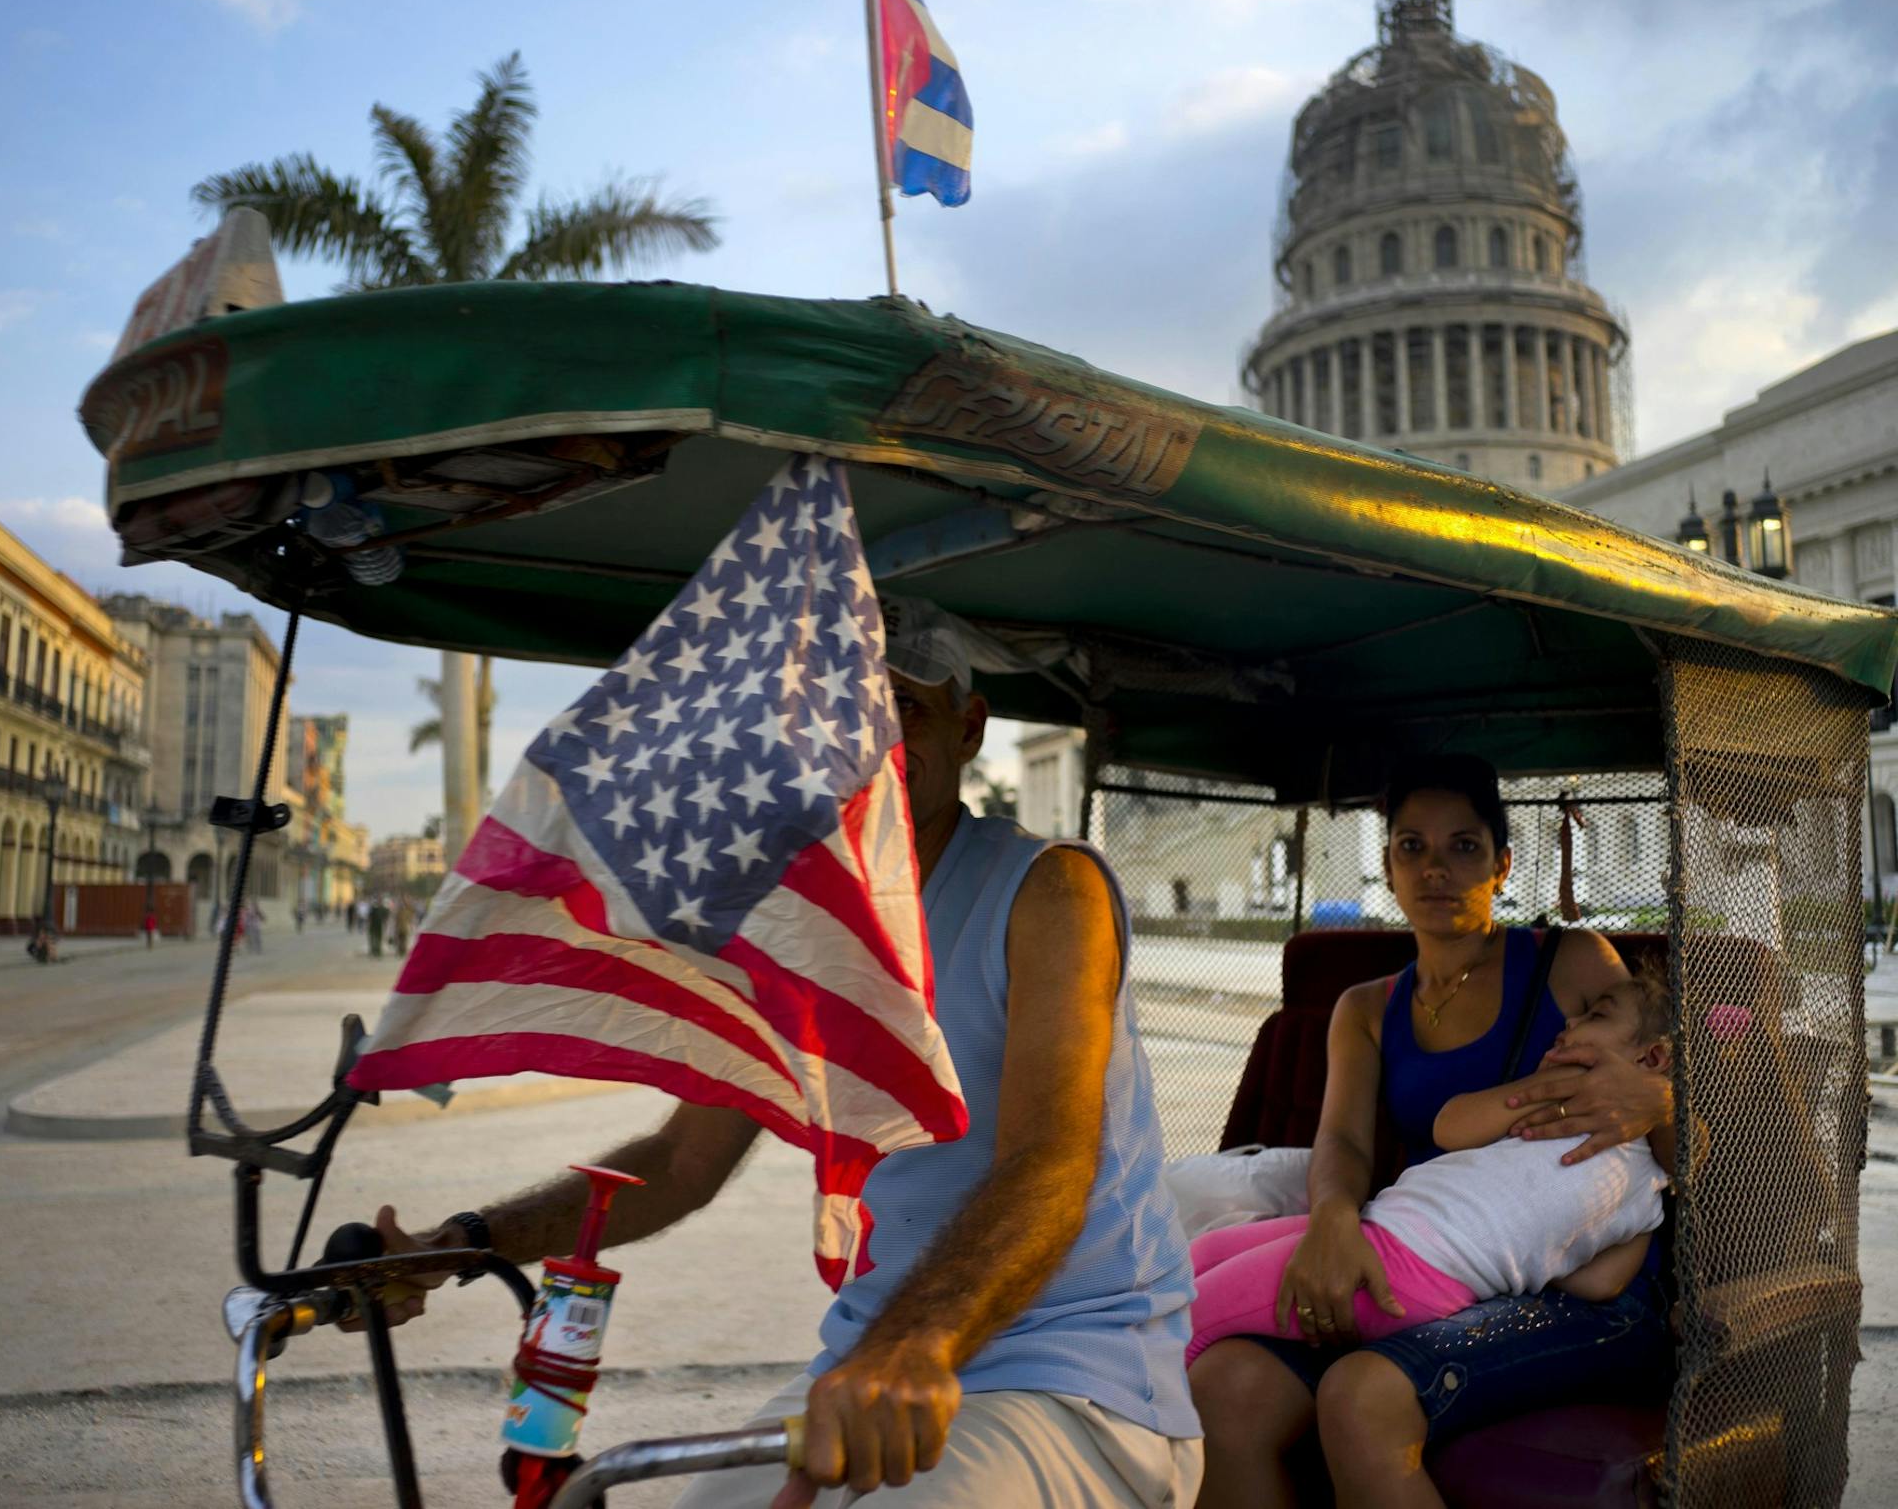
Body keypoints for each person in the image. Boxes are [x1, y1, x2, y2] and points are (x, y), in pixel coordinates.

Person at [349, 599, 1204, 1508]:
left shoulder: (1048, 891)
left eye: (903, 709)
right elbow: (682, 1160)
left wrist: (911, 1348)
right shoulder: (812, 929)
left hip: (1071, 1378)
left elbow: (1050, 1164)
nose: (871, 744)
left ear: (968, 726)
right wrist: (465, 1244)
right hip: (869, 1367)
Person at [1191, 754, 1677, 1508]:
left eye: (1464, 846)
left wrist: (1662, 1100)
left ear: (1502, 863)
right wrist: (1331, 1221)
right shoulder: (1365, 1008)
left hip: (1580, 1292)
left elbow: (1662, 1095)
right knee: (1223, 1386)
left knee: (1361, 1395)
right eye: (1411, 846)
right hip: (1423, 1258)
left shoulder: (1571, 963)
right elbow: (1344, 1147)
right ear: (1386, 867)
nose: (1436, 869)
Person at [1186, 958, 1671, 1362]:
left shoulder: (1593, 1137)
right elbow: (1599, 1280)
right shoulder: (1634, 1184)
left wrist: (1538, 1090)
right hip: (1379, 1232)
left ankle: (1140, 1440)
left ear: (1651, 1061)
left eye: (1597, 1017)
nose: (1571, 1023)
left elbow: (1449, 1126)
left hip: (1405, 1266)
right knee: (1199, 1257)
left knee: (1189, 1315)